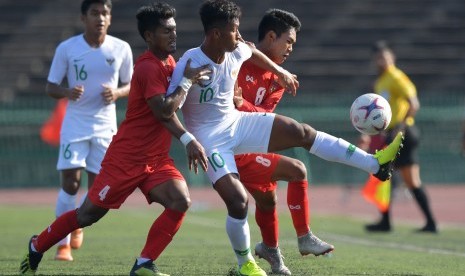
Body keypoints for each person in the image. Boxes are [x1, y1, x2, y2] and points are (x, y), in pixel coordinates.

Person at [166, 1, 404, 275]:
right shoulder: (190, 62)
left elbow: (252, 52)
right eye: (234, 30)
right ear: (217, 33)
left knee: (300, 133)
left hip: (238, 125)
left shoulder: (240, 51)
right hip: (211, 141)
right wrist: (187, 135)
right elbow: (167, 109)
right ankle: (247, 264)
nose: (240, 36)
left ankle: (375, 165)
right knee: (239, 201)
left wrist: (278, 72)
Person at [20, 2, 212, 275]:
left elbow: (168, 110)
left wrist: (188, 131)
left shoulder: (168, 62)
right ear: (148, 36)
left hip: (155, 159)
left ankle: (144, 264)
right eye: (166, 31)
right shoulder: (147, 68)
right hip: (126, 158)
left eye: (174, 30)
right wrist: (187, 89)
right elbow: (164, 111)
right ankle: (37, 244)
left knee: (180, 200)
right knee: (86, 215)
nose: (173, 35)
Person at [233, 9, 333, 275]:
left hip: (250, 146)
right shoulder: (241, 58)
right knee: (297, 170)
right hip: (229, 147)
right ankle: (304, 237)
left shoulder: (279, 79)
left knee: (267, 201)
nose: (291, 48)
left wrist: (241, 102)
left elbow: (263, 117)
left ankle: (272, 254)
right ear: (271, 36)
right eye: (288, 41)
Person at [45, 0, 133, 261]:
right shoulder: (68, 48)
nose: (100, 18)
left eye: (105, 13)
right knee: (71, 183)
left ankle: (78, 224)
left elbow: (132, 84)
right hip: (75, 123)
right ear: (84, 18)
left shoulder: (121, 48)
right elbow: (51, 86)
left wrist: (117, 92)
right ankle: (62, 244)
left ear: (110, 18)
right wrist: (67, 92)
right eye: (94, 13)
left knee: (97, 190)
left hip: (106, 126)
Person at [360, 40, 437, 233]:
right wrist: (368, 134)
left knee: (406, 180)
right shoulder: (380, 81)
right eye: (378, 58)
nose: (381, 61)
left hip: (403, 134)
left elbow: (414, 104)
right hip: (392, 135)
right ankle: (387, 221)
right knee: (385, 177)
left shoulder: (396, 77)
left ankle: (430, 223)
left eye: (384, 57)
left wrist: (400, 128)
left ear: (392, 58)